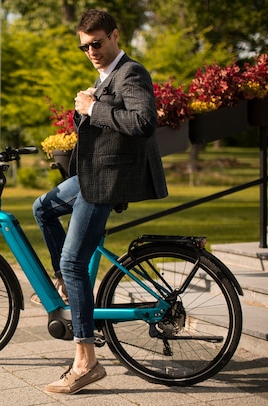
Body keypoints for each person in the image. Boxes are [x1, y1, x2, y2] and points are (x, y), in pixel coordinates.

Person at [33, 9, 168, 394]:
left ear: (114, 35)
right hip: (92, 175)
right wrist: (86, 108)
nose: (91, 51)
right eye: (84, 46)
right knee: (41, 208)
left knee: (74, 260)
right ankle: (65, 284)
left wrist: (94, 108)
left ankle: (86, 361)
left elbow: (143, 122)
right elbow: (107, 126)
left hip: (108, 181)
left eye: (97, 43)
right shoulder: (105, 75)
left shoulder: (131, 72)